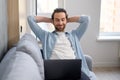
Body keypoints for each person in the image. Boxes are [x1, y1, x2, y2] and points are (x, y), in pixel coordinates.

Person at [27, 8, 94, 80]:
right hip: (55, 72)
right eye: (57, 20)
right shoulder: (45, 36)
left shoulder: (75, 35)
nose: (60, 23)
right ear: (53, 21)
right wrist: (50, 20)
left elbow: (86, 20)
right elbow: (30, 19)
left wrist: (68, 20)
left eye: (62, 19)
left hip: (74, 70)